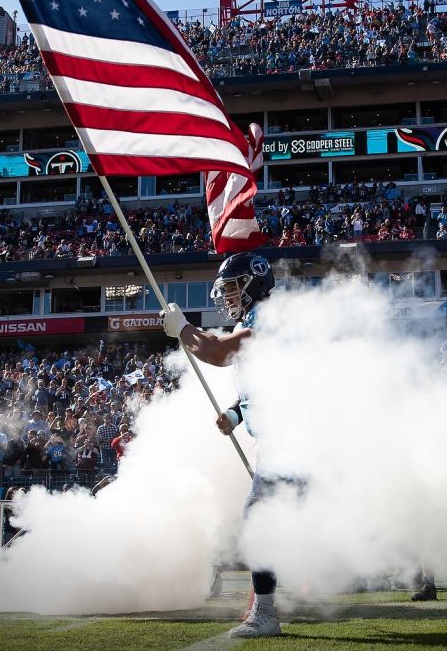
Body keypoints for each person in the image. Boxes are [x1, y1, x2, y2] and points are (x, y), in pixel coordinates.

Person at [161, 251, 287, 638]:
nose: (227, 296)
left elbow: (219, 353)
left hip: (293, 441)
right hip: (283, 438)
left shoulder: (271, 319)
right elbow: (267, 390)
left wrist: (184, 330)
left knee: (260, 522)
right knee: (274, 523)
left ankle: (265, 614)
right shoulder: (257, 320)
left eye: (233, 287)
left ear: (253, 284)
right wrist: (236, 414)